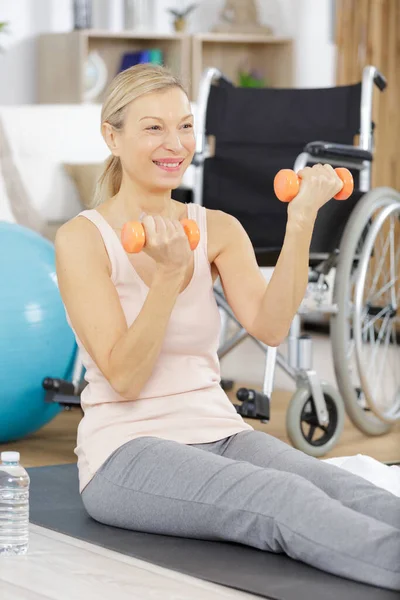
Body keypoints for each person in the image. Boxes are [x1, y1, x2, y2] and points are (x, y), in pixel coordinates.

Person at [55, 64, 400, 591]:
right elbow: (123, 378)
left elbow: (270, 326)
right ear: (112, 136)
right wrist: (171, 274)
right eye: (153, 128)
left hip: (221, 430)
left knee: (333, 483)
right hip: (125, 450)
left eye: (186, 126)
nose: (175, 144)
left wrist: (302, 218)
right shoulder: (83, 239)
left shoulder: (218, 227)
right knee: (281, 501)